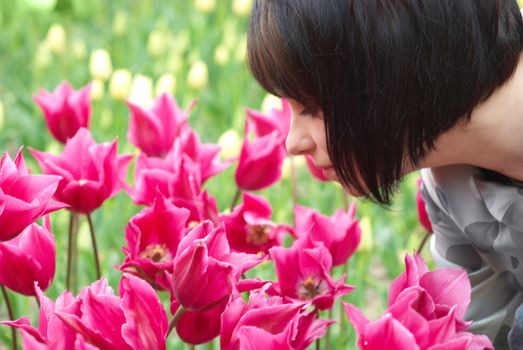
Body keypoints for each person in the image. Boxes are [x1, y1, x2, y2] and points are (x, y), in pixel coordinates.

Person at [246, 0, 523, 348]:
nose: (293, 143)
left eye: (310, 107)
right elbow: (478, 337)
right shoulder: (449, 189)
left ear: (390, 59)